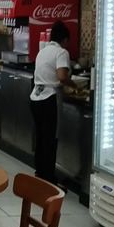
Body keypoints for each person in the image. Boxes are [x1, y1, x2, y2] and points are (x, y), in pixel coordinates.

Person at [29, 21, 76, 186]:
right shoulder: (61, 52)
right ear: (64, 39)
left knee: (41, 138)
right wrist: (75, 85)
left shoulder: (43, 51)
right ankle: (49, 180)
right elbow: (62, 76)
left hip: (35, 96)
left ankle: (40, 173)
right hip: (49, 98)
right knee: (50, 139)